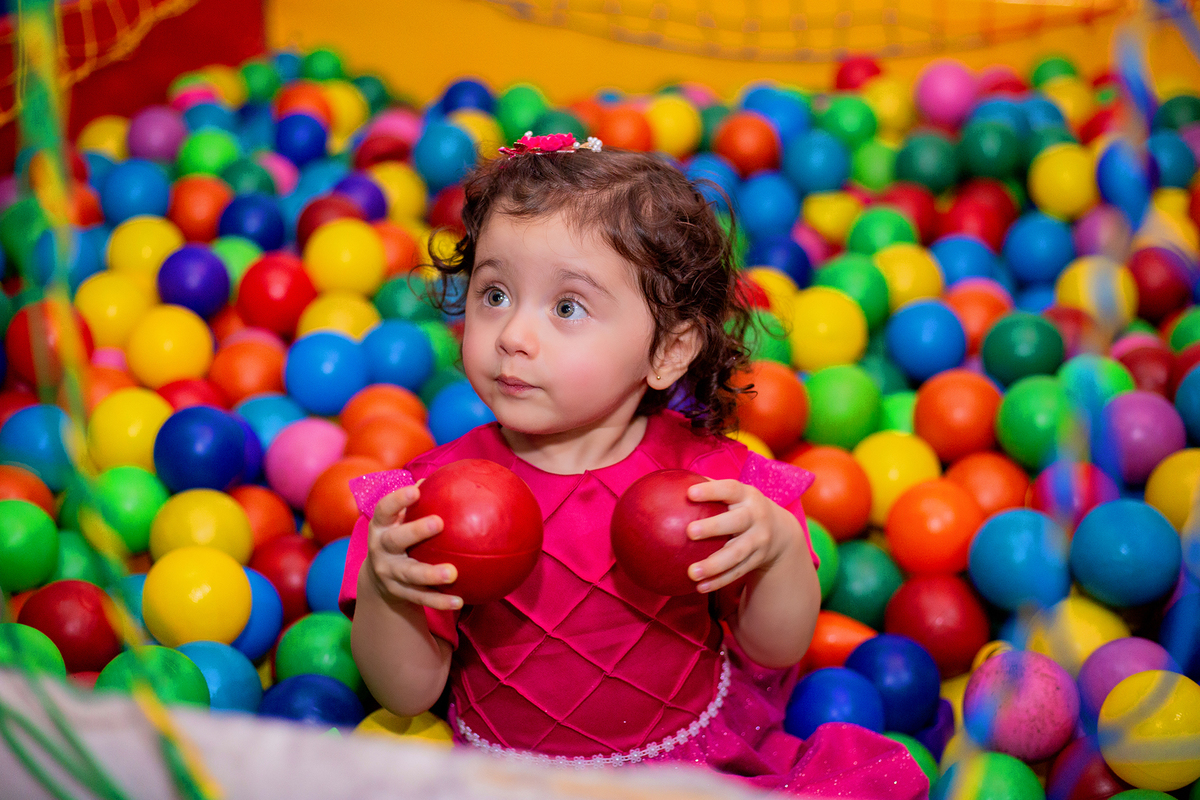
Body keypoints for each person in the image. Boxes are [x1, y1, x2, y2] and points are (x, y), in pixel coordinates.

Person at [339, 133, 928, 797]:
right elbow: (408, 691)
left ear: (669, 351)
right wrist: (391, 589)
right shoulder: (429, 501)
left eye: (567, 307)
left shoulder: (712, 482)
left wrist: (779, 549)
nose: (512, 335)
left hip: (685, 774)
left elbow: (777, 647)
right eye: (495, 294)